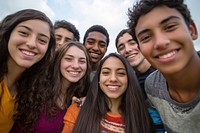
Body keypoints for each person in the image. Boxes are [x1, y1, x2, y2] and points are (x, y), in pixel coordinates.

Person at [127, 0, 200, 132]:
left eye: (170, 27)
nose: (160, 42)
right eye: (146, 37)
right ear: (140, 48)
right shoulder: (152, 86)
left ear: (192, 30)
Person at [62, 53, 155, 133]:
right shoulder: (78, 110)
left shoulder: (142, 117)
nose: (113, 79)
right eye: (106, 73)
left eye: (121, 73)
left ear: (129, 79)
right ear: (98, 79)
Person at [11, 41, 91, 132]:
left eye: (82, 61)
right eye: (69, 59)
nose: (76, 66)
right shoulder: (34, 90)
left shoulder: (84, 99)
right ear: (58, 61)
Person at [0, 9, 55, 133]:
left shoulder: (30, 90)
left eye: (42, 40)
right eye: (24, 33)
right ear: (8, 34)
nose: (31, 44)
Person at [115, 29, 164, 133]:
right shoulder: (126, 84)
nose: (127, 50)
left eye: (132, 43)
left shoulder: (165, 71)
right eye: (121, 47)